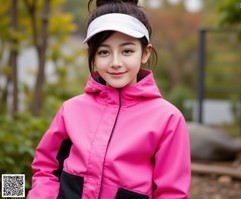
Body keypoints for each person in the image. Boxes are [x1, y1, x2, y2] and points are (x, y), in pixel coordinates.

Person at [27, 0, 191, 198]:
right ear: (92, 55)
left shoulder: (168, 119)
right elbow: (46, 169)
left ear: (145, 53)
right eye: (104, 52)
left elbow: (171, 193)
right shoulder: (71, 110)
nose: (115, 62)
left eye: (127, 51)